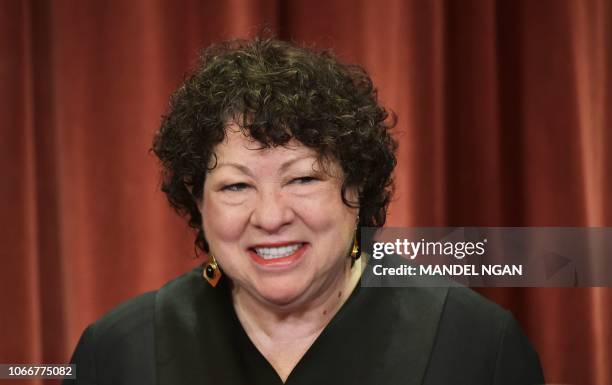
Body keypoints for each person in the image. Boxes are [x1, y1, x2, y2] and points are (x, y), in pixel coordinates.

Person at [65, 37, 544, 385]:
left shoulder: (475, 345)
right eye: (235, 185)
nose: (270, 216)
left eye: (303, 178)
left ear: (357, 184)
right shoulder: (118, 354)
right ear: (198, 200)